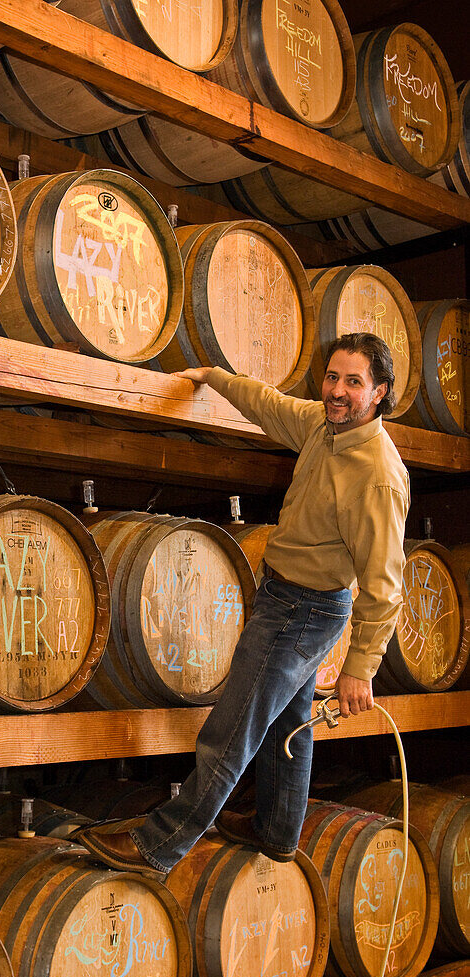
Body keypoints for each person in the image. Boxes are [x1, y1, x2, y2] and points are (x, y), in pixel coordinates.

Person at [76, 332, 410, 877]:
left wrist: (360, 668)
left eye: (354, 382)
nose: (338, 391)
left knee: (232, 728)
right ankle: (277, 833)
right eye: (333, 377)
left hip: (304, 610)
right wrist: (214, 377)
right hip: (287, 596)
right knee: (286, 725)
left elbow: (384, 584)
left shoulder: (377, 475)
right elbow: (271, 406)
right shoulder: (325, 429)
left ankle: (160, 845)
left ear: (379, 393)